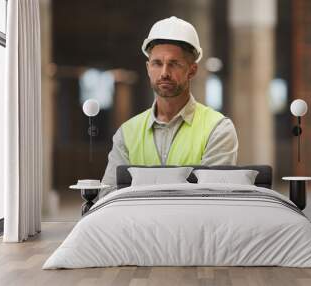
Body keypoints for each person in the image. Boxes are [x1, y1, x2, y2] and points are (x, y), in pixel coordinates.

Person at [101, 16, 238, 188]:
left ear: (192, 70)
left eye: (174, 64)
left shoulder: (217, 129)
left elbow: (211, 199)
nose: (164, 72)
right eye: (157, 63)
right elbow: (109, 197)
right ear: (148, 68)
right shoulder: (127, 133)